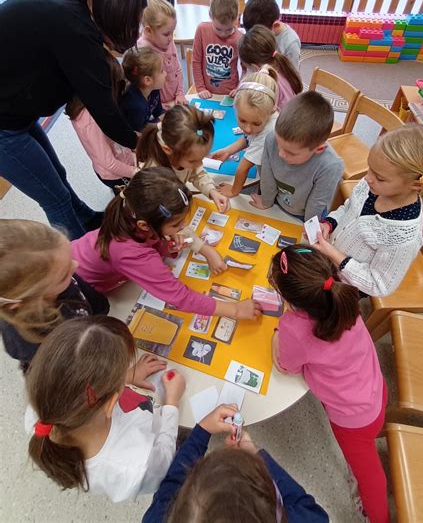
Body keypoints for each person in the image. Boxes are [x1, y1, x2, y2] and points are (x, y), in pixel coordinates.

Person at [0, 0, 145, 239]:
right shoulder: (75, 29)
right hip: (4, 126)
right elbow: (103, 110)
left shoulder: (66, 6)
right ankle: (81, 271)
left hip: (16, 113)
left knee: (58, 176)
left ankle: (88, 219)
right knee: (54, 198)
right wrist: (142, 143)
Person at [270, 245, 389, 523]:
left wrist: (278, 333)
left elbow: (286, 367)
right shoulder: (345, 299)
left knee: (368, 473)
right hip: (375, 388)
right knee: (367, 456)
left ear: (289, 297)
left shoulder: (294, 327)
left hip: (353, 418)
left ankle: (378, 518)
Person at [25, 315, 183, 502]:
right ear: (110, 403)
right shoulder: (137, 462)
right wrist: (172, 403)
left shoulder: (43, 409)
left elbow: (76, 386)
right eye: (120, 373)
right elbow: (164, 461)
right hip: (161, 435)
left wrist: (127, 377)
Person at [72, 167, 261, 321]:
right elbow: (180, 297)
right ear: (145, 225)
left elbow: (149, 242)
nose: (184, 226)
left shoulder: (133, 215)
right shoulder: (129, 251)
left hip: (87, 262)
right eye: (176, 224)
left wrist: (165, 247)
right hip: (79, 288)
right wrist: (235, 310)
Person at [314, 124, 423, 297]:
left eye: (380, 177)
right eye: (370, 168)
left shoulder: (404, 237)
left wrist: (334, 255)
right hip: (326, 262)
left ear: (416, 185)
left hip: (344, 288)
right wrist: (330, 223)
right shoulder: (372, 186)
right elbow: (349, 207)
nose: (367, 178)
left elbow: (378, 285)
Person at [142, 404, 329, 523]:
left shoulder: (158, 517)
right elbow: (308, 508)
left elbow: (172, 483)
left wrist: (202, 430)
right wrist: (256, 454)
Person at [0, 219, 109, 371]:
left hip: (95, 335)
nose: (76, 265)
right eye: (64, 275)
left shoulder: (55, 276)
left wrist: (103, 315)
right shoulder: (30, 344)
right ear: (26, 300)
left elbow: (92, 300)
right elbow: (73, 375)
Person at [250, 92, 343, 221]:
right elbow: (267, 174)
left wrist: (309, 227)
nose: (281, 154)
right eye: (279, 144)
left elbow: (317, 203)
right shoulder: (271, 138)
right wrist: (266, 201)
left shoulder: (330, 166)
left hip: (306, 215)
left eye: (291, 153)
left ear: (319, 149)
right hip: (276, 203)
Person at [66, 53, 139, 194]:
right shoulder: (90, 120)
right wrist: (135, 171)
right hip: (116, 175)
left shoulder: (98, 104)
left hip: (124, 162)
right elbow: (108, 162)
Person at [136, 105, 229, 213]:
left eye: (202, 158)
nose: (199, 164)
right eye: (193, 161)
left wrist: (212, 191)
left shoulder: (182, 153)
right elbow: (155, 210)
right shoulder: (153, 175)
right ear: (167, 149)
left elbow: (197, 174)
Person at [210, 67, 279, 198]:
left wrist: (233, 191)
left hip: (276, 182)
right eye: (242, 120)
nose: (247, 129)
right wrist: (228, 151)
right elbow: (247, 138)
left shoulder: (269, 132)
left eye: (256, 123)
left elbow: (243, 167)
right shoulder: (260, 118)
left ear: (271, 111)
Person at [138, 0, 187, 110]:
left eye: (172, 32)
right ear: (148, 31)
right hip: (158, 110)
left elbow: (177, 70)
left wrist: (180, 93)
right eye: (166, 34)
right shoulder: (142, 51)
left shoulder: (168, 41)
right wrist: (158, 108)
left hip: (174, 102)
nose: (171, 38)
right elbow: (141, 89)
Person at [192, 0, 242, 97]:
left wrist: (239, 87)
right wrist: (200, 88)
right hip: (206, 92)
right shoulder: (202, 30)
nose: (223, 34)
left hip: (230, 93)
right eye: (218, 29)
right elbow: (196, 61)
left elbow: (246, 67)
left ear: (237, 18)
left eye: (229, 29)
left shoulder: (239, 38)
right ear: (210, 15)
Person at [239, 25, 302, 111]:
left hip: (279, 122)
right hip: (290, 116)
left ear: (255, 68)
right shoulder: (281, 65)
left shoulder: (267, 83)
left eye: (248, 68)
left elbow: (259, 115)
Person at [242, 0, 301, 68]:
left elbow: (293, 77)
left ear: (275, 25)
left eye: (259, 36)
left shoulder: (291, 44)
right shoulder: (258, 29)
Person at [120, 47, 168, 132]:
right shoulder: (136, 106)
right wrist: (161, 122)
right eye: (161, 71)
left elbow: (158, 111)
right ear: (148, 80)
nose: (165, 73)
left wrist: (168, 116)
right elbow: (141, 131)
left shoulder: (154, 90)